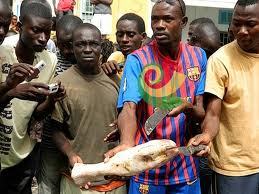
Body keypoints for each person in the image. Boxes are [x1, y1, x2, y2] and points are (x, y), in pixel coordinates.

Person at [105, 0, 207, 194]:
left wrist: (186, 107)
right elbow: (129, 108)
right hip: (146, 169)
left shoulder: (198, 56)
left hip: (184, 166)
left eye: (167, 19)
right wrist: (127, 143)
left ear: (183, 21)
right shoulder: (138, 59)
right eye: (155, 19)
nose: (159, 25)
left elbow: (201, 112)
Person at [189, 0, 259, 194]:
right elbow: (212, 113)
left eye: (250, 24)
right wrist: (207, 135)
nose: (242, 30)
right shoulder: (220, 60)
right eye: (237, 23)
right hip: (235, 167)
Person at [50, 23, 126, 194]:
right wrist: (70, 155)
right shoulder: (60, 83)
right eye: (81, 44)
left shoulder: (115, 80)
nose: (87, 49)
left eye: (93, 44)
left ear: (101, 46)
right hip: (78, 181)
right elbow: (55, 129)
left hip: (115, 180)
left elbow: (127, 120)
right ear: (72, 47)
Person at [0, 2, 63, 193]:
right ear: (19, 27)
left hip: (23, 153)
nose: (43, 38)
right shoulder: (2, 52)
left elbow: (37, 114)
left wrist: (52, 99)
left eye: (47, 32)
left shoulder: (50, 60)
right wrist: (11, 89)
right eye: (36, 30)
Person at [37, 15, 83, 194]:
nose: (66, 50)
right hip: (50, 142)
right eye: (61, 44)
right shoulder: (50, 63)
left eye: (71, 44)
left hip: (78, 143)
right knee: (48, 187)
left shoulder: (90, 63)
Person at [187, 18, 221, 194]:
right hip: (186, 145)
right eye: (207, 53)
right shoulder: (183, 64)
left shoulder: (218, 67)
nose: (210, 60)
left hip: (208, 149)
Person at [101, 13, 147, 78]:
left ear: (143, 37)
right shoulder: (115, 58)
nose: (124, 39)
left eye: (131, 35)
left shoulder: (151, 64)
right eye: (120, 35)